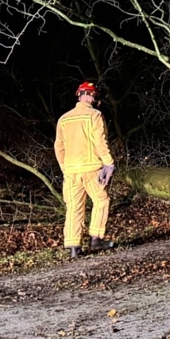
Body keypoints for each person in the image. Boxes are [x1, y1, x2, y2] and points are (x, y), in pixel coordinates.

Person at [54, 81, 116, 258]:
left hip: (71, 171)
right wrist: (109, 163)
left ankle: (74, 247)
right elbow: (100, 142)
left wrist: (66, 168)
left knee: (74, 207)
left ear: (79, 95)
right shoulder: (94, 115)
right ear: (92, 96)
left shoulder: (64, 119)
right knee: (101, 200)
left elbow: (59, 148)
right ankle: (96, 238)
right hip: (92, 168)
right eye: (95, 96)